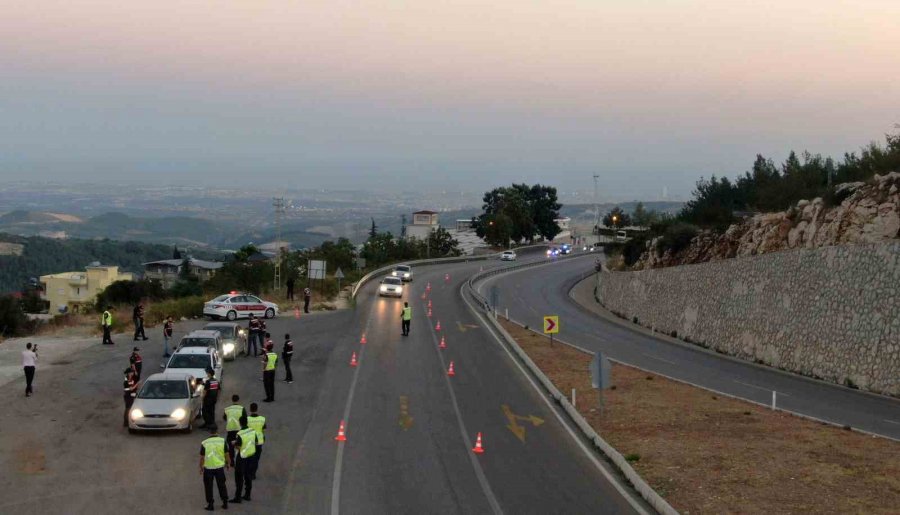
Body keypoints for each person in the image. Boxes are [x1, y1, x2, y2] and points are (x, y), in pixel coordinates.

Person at [199, 427, 230, 511]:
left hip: (208, 468)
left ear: (210, 432)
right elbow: (226, 454)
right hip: (219, 468)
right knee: (221, 485)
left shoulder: (204, 443)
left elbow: (202, 457)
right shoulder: (222, 441)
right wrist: (228, 463)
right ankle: (225, 502)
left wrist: (201, 467)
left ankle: (210, 504)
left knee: (208, 486)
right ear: (217, 431)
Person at [230, 416, 256, 503]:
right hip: (251, 456)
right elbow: (255, 441)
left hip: (242, 457)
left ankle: (238, 497)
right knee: (248, 476)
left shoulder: (240, 434)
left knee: (239, 478)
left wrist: (234, 443)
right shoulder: (252, 431)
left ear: (240, 423)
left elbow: (238, 446)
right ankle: (248, 495)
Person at [246, 403, 266, 480]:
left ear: (250, 409)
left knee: (250, 458)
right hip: (259, 442)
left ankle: (248, 472)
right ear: (257, 409)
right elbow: (264, 430)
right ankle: (253, 474)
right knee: (256, 459)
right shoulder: (262, 419)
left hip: (250, 442)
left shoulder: (247, 419)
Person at [222, 395, 246, 460]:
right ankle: (240, 458)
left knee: (230, 445)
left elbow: (224, 418)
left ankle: (231, 461)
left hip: (230, 429)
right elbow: (245, 419)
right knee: (239, 444)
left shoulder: (227, 409)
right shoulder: (242, 409)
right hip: (239, 429)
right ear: (238, 400)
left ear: (232, 400)